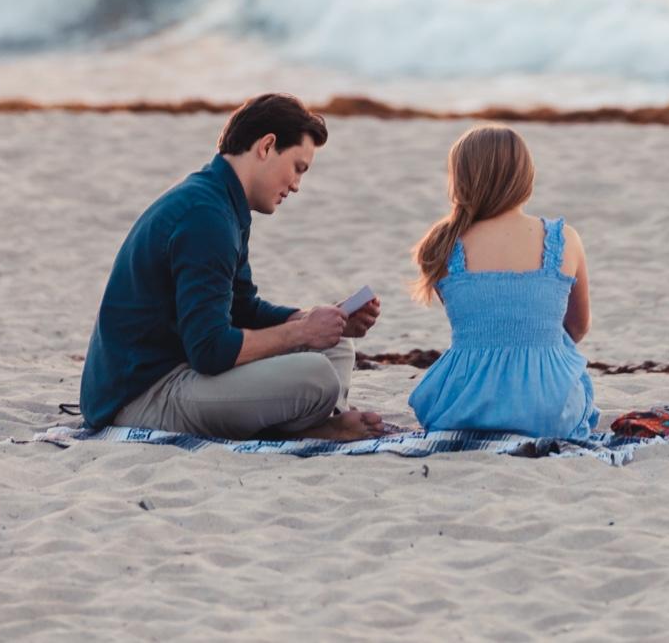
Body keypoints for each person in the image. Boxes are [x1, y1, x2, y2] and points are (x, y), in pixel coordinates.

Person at [80, 93, 384, 442]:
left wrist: (313, 319)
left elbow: (242, 308)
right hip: (139, 397)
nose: (297, 185)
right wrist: (300, 334)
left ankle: (316, 420)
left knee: (335, 346)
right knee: (316, 375)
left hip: (178, 372)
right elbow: (210, 351)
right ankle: (314, 426)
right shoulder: (205, 217)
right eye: (298, 168)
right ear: (267, 146)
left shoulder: (221, 201)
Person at [408, 125, 599, 439]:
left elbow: (479, 324)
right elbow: (578, 327)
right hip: (548, 408)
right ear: (525, 177)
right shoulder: (564, 238)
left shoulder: (441, 245)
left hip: (461, 405)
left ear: (460, 179)